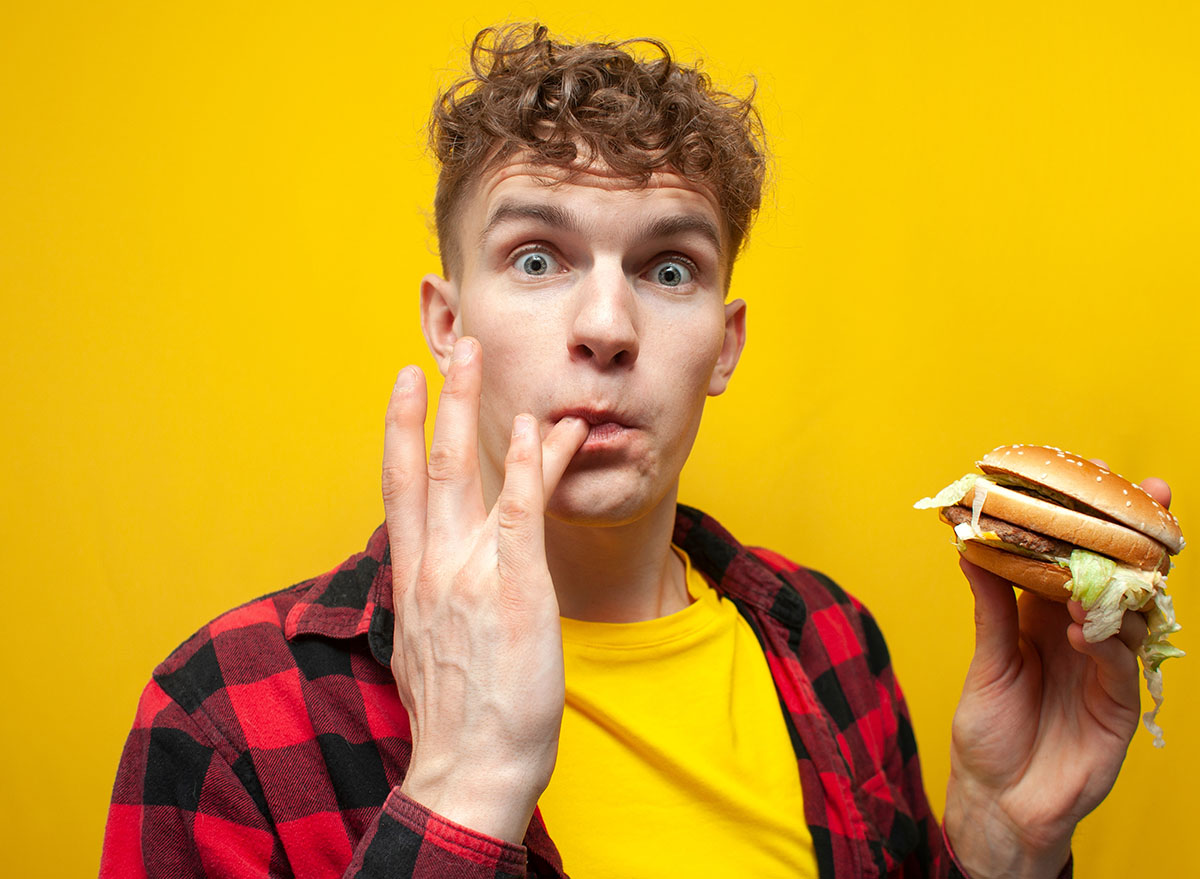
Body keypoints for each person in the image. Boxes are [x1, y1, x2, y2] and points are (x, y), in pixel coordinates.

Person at [101, 23, 1171, 878]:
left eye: (668, 270)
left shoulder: (833, 644)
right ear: (447, 321)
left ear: (725, 343)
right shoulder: (229, 718)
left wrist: (1005, 848)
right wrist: (464, 794)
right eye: (534, 259)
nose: (607, 327)